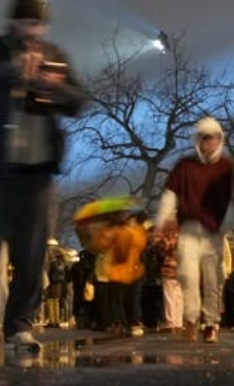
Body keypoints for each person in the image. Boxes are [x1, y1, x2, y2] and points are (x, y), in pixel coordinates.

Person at [0, 0, 88, 357]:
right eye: (28, 22)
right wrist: (14, 70)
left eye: (39, 23)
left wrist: (54, 86)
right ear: (13, 23)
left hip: (36, 171)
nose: (34, 30)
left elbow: (79, 101)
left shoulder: (54, 56)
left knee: (31, 254)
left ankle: (20, 327)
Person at [154, 116, 234, 342]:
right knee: (187, 276)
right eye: (204, 139)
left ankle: (211, 323)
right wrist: (161, 221)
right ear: (197, 141)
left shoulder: (227, 167)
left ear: (220, 140)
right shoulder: (185, 166)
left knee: (213, 279)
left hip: (214, 232)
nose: (209, 144)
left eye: (214, 139)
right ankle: (191, 318)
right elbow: (170, 195)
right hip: (189, 229)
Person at [92, 210, 147, 337]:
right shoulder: (124, 232)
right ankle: (122, 323)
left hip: (128, 271)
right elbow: (103, 246)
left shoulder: (134, 232)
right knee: (120, 300)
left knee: (126, 300)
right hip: (121, 271)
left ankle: (126, 323)